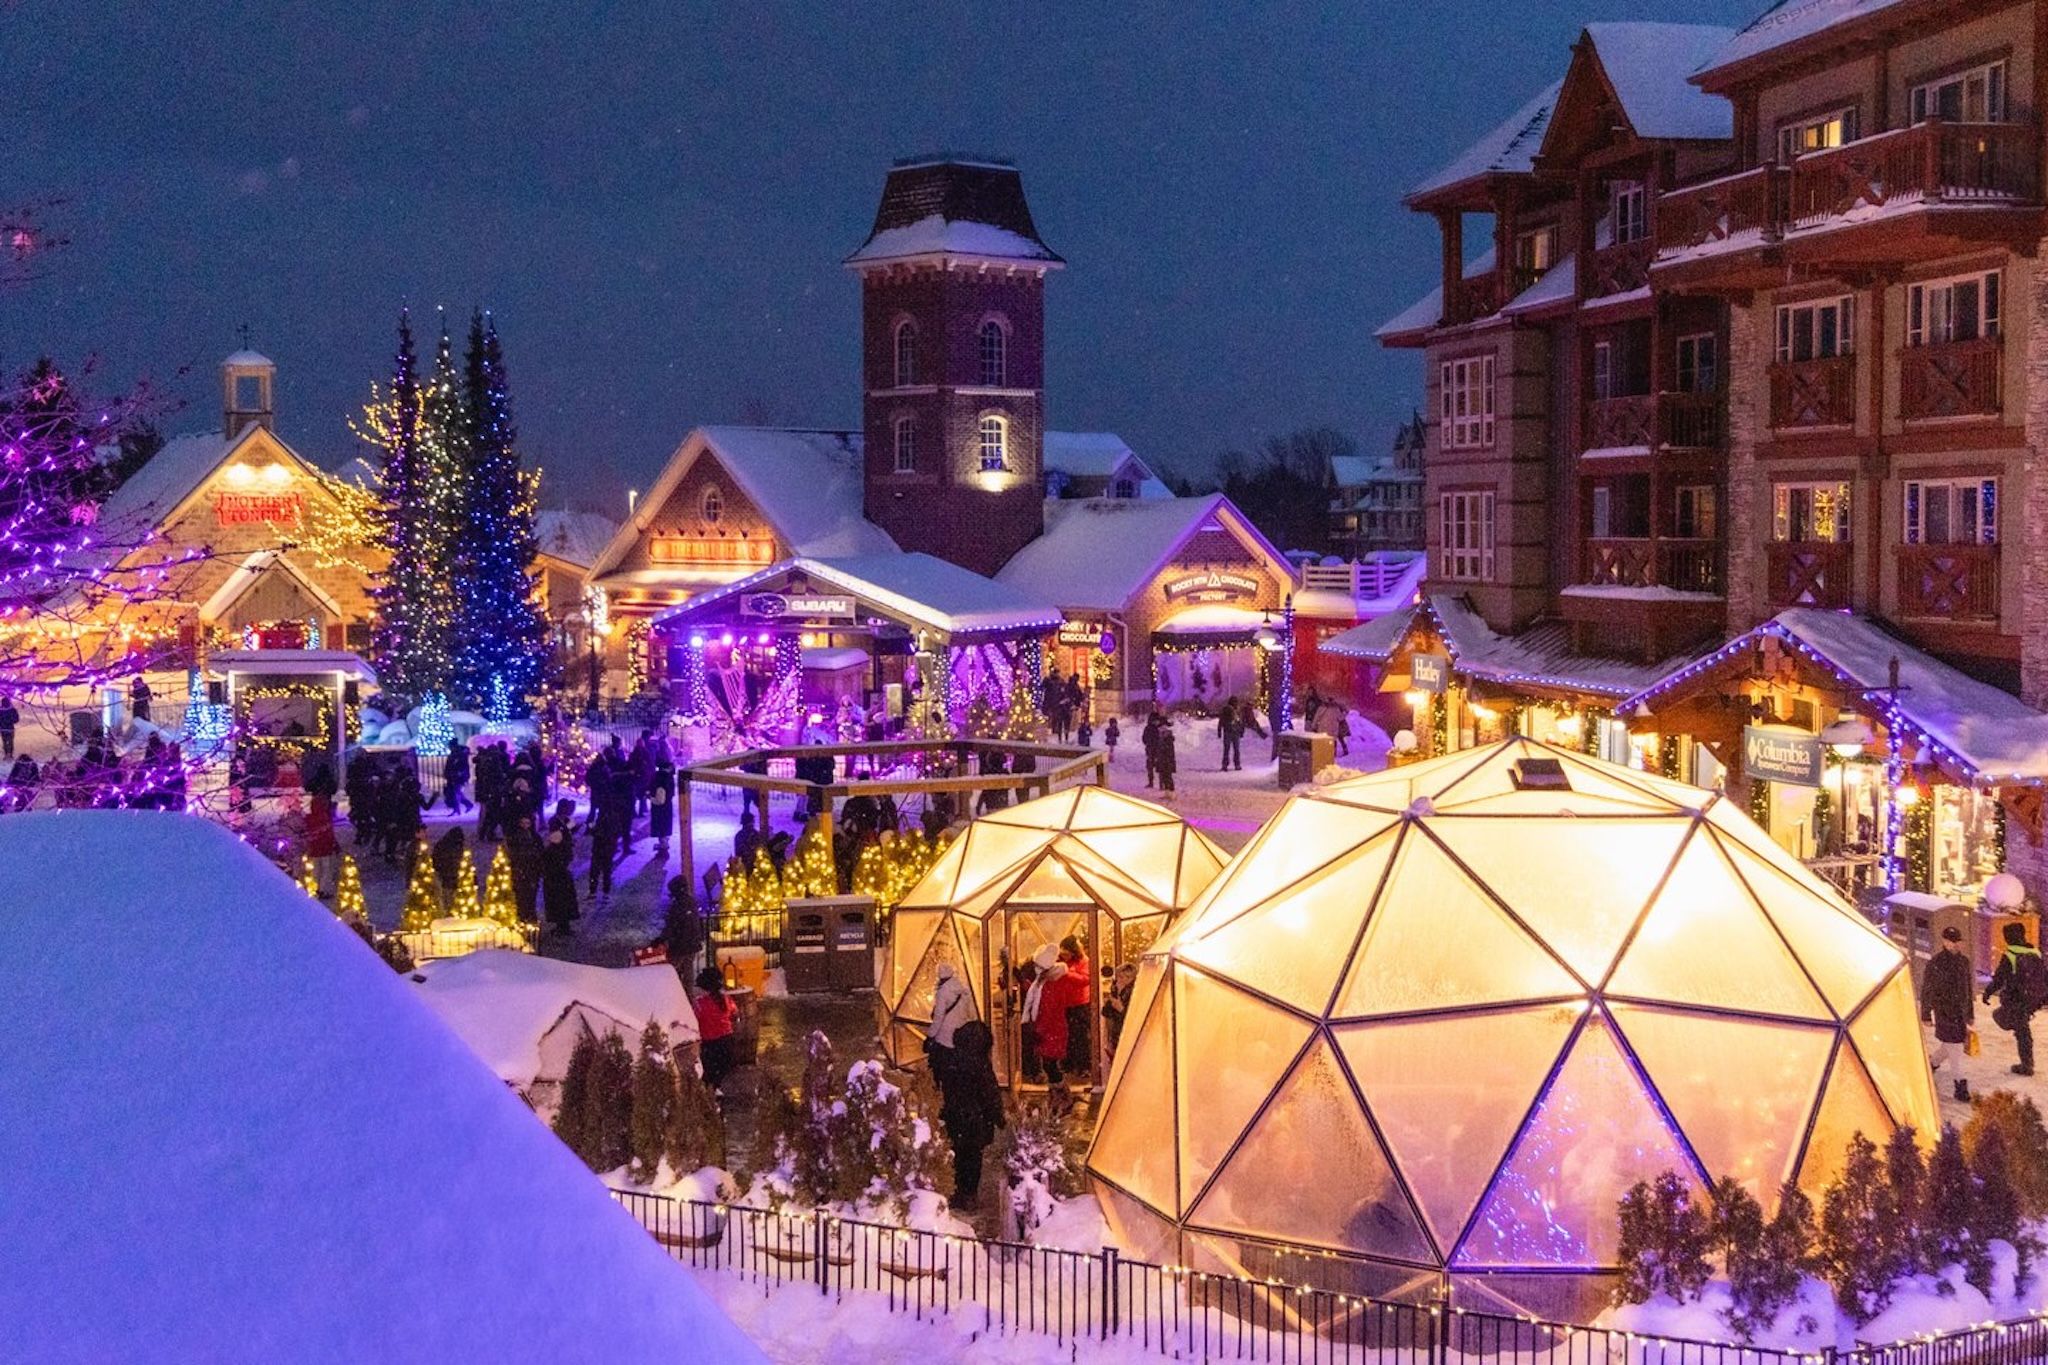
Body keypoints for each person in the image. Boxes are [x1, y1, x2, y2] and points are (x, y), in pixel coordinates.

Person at [939, 1020, 1005, 1212]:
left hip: (955, 1118)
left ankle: (959, 1191)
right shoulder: (981, 1064)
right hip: (976, 1121)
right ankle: (969, 1195)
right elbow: (989, 1094)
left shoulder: (951, 1060)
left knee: (959, 1156)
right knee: (973, 1159)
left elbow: (943, 1089)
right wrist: (998, 1116)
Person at [1984, 921, 2046, 1077]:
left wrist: (1987, 993)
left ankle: (2027, 1065)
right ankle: (2027, 1062)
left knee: (2018, 1028)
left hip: (2016, 999)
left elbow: (1998, 979)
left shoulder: (2010, 955)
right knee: (2022, 1028)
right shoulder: (2035, 952)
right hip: (2032, 999)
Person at [1922, 924, 1975, 1101]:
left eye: (1957, 941)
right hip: (1944, 1011)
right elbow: (1927, 990)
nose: (1956, 945)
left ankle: (1931, 1064)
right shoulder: (1936, 963)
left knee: (1951, 1045)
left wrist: (1969, 1013)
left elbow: (1967, 988)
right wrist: (1926, 1013)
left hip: (1958, 1012)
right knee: (1956, 1048)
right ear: (1944, 941)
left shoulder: (1963, 962)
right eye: (1952, 941)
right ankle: (1960, 1085)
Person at [1024, 944, 1071, 1097]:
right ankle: (1058, 1093)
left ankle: (1061, 1094)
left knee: (1050, 1065)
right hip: (1050, 1029)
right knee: (1050, 1064)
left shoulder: (1052, 983)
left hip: (1051, 1030)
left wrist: (1038, 1031)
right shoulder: (1045, 980)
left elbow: (1048, 1010)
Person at [925, 960, 975, 1084]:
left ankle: (942, 1084)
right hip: (960, 1034)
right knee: (957, 1063)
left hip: (944, 1035)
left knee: (943, 1064)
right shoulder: (962, 988)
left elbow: (938, 1017)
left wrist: (930, 1035)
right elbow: (969, 1013)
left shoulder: (943, 992)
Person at [694, 966, 740, 1091]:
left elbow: (694, 1020)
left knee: (708, 1076)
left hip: (710, 1045)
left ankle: (712, 1097)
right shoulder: (726, 1000)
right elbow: (735, 1014)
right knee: (718, 1074)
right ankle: (717, 1090)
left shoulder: (700, 1004)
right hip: (727, 1043)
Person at [1058, 935, 1093, 1080]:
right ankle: (1069, 1064)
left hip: (1080, 1004)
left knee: (1081, 1037)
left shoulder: (1084, 962)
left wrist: (1067, 973)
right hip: (1065, 1004)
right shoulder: (1061, 961)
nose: (1064, 956)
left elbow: (1085, 980)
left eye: (1067, 953)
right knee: (1067, 1036)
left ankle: (1084, 1066)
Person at [542, 798, 580, 932]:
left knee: (564, 892)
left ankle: (564, 922)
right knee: (560, 893)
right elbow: (555, 838)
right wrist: (566, 829)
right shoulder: (555, 822)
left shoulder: (564, 821)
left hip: (562, 861)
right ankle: (561, 923)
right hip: (556, 862)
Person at [305, 790, 340, 898]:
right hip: (325, 847)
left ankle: (315, 888)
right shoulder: (325, 817)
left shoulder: (309, 818)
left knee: (316, 869)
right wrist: (334, 844)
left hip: (315, 848)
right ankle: (323, 889)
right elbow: (329, 833)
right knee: (326, 869)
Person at [1102, 962, 1137, 1056]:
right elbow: (1106, 1012)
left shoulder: (1134, 992)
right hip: (1117, 1031)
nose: (1120, 980)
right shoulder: (1117, 990)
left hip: (1127, 1033)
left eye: (1123, 977)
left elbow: (1134, 1017)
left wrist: (1121, 1008)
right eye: (1118, 977)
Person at [648, 756, 676, 862]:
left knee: (662, 829)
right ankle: (663, 847)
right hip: (666, 807)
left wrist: (650, 797)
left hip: (660, 808)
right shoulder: (668, 777)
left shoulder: (659, 778)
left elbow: (659, 799)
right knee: (664, 829)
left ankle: (663, 849)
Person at [442, 737, 473, 815]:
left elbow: (458, 765)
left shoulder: (458, 754)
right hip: (455, 776)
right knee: (456, 792)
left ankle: (457, 809)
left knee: (456, 792)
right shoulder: (457, 754)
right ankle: (467, 805)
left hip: (458, 776)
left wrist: (458, 773)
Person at [1217, 697, 1245, 772]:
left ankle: (1225, 765)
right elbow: (1241, 722)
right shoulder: (1236, 710)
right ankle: (1236, 764)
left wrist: (1219, 731)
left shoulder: (1226, 710)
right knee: (1235, 749)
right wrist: (1242, 731)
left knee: (1227, 749)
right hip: (1234, 732)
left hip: (1228, 731)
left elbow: (1221, 721)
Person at [1155, 717, 1179, 795]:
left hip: (1167, 760)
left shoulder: (1167, 738)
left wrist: (1165, 757)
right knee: (1165, 776)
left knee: (1168, 776)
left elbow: (1168, 750)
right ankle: (1167, 792)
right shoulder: (1161, 737)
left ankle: (1171, 792)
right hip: (1163, 759)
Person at [0, 692, 17, 760]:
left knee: (5, 742)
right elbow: (16, 719)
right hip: (10, 729)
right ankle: (10, 754)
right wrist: (11, 721)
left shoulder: (0, 711)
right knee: (10, 742)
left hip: (3, 729)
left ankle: (6, 754)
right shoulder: (12, 710)